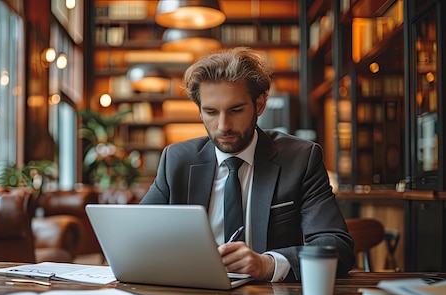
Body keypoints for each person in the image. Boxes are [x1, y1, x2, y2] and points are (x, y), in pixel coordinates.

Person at [140, 47, 355, 282]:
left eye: (236, 110)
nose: (223, 126)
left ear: (260, 105)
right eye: (210, 112)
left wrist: (268, 264)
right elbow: (136, 236)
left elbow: (336, 246)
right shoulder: (176, 160)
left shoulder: (301, 159)